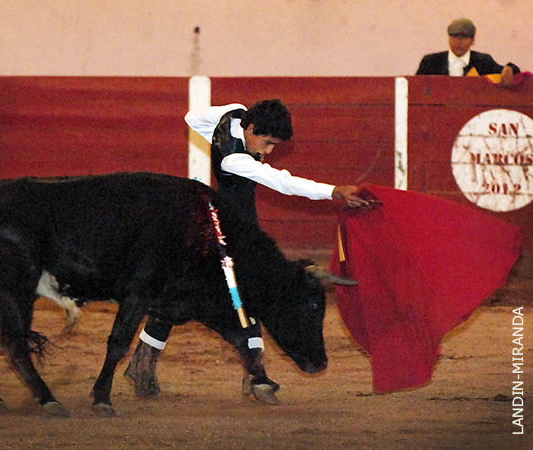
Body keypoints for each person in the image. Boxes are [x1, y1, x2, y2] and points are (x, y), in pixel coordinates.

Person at [124, 99, 369, 400]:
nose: (267, 152)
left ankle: (150, 363)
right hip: (227, 233)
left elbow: (192, 117)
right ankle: (254, 376)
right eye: (266, 143)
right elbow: (282, 182)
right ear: (251, 129)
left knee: (199, 294)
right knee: (224, 295)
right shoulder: (233, 161)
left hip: (235, 227)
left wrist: (226, 119)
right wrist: (333, 191)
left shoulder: (236, 116)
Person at [416, 18, 520, 87]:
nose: (459, 41)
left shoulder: (483, 61)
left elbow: (513, 72)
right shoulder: (431, 62)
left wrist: (510, 68)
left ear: (472, 40)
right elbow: (415, 88)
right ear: (449, 38)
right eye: (455, 36)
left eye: (464, 37)